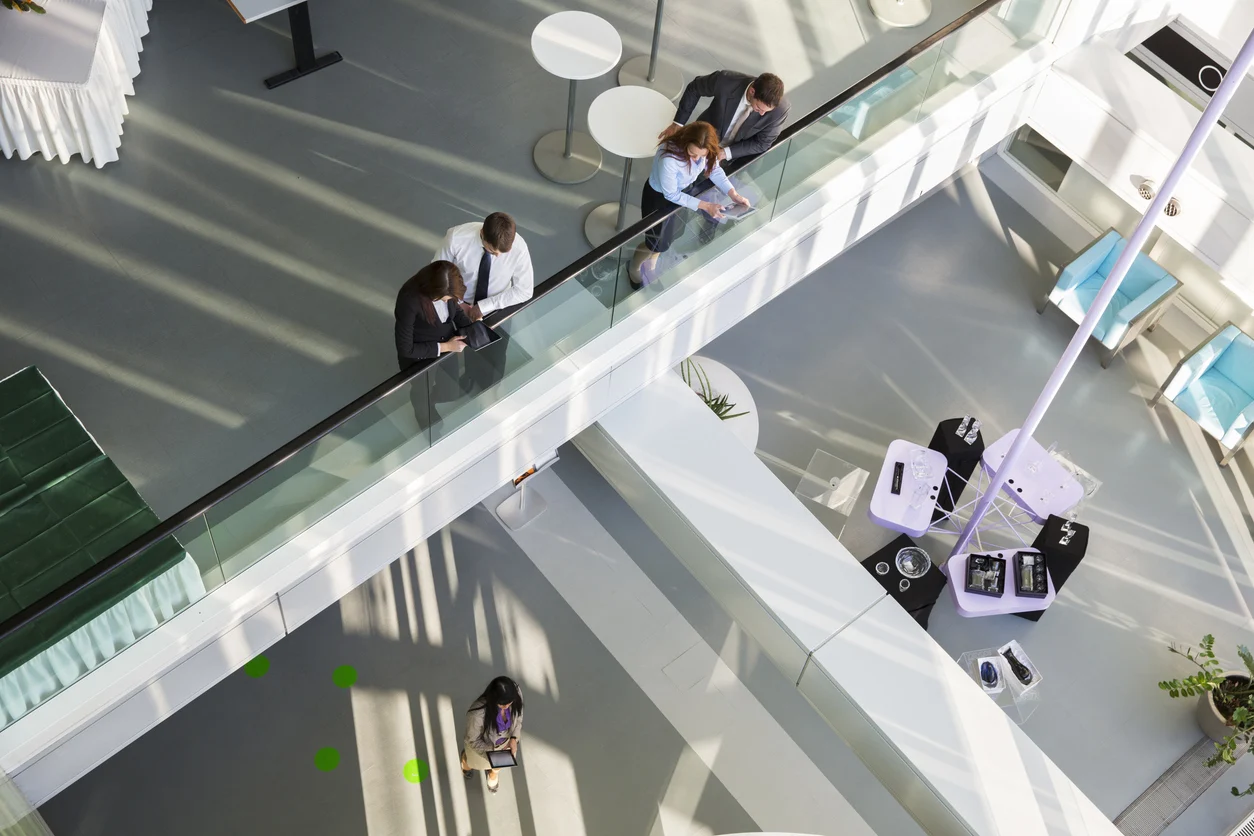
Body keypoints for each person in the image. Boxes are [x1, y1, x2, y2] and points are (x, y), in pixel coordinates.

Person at [630, 122, 750, 286]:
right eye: (693, 154)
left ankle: (652, 262)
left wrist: (733, 193)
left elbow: (714, 170)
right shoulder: (669, 158)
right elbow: (670, 193)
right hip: (659, 199)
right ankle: (638, 265)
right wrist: (706, 206)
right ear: (685, 142)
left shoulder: (704, 151)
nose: (697, 159)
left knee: (668, 237)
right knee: (656, 241)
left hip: (683, 195)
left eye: (701, 156)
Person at [661, 71, 790, 163]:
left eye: (766, 111)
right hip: (704, 138)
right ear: (752, 92)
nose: (762, 114)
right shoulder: (726, 81)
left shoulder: (780, 111)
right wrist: (678, 123)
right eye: (758, 108)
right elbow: (695, 88)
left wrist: (725, 153)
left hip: (735, 154)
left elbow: (762, 143)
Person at [435, 212, 534, 321]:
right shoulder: (456, 238)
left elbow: (525, 291)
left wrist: (484, 306)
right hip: (456, 306)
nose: (497, 256)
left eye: (503, 252)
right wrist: (458, 303)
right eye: (492, 251)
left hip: (496, 310)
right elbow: (437, 275)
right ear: (482, 233)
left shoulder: (519, 247)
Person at [393, 261, 472, 370]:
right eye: (443, 299)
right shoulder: (409, 300)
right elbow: (406, 348)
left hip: (449, 350)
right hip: (421, 359)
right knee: (421, 387)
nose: (447, 302)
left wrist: (474, 328)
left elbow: (456, 312)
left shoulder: (447, 287)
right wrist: (447, 346)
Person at [461, 676, 524, 794]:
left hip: (505, 744)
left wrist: (514, 738)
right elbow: (473, 740)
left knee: (497, 766)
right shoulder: (477, 714)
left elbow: (518, 716)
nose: (507, 707)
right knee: (471, 762)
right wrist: (493, 754)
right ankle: (465, 762)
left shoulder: (515, 693)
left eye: (509, 703)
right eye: (502, 705)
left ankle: (493, 776)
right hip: (482, 748)